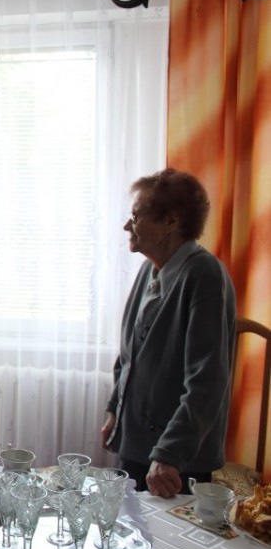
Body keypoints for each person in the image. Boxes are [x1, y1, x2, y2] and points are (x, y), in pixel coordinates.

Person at [100, 168, 236, 498]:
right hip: (139, 445)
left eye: (136, 216)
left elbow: (207, 380)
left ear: (171, 222)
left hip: (176, 460)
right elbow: (130, 354)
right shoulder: (150, 269)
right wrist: (115, 408)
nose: (127, 225)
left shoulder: (204, 275)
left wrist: (170, 453)